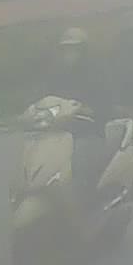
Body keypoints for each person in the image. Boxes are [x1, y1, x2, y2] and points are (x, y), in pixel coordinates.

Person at [50, 27, 116, 194]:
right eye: (66, 49)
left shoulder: (97, 72)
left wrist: (91, 109)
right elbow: (46, 94)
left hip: (90, 129)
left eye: (74, 49)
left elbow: (107, 100)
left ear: (83, 50)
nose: (69, 53)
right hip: (62, 129)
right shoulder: (57, 73)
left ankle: (88, 196)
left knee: (79, 160)